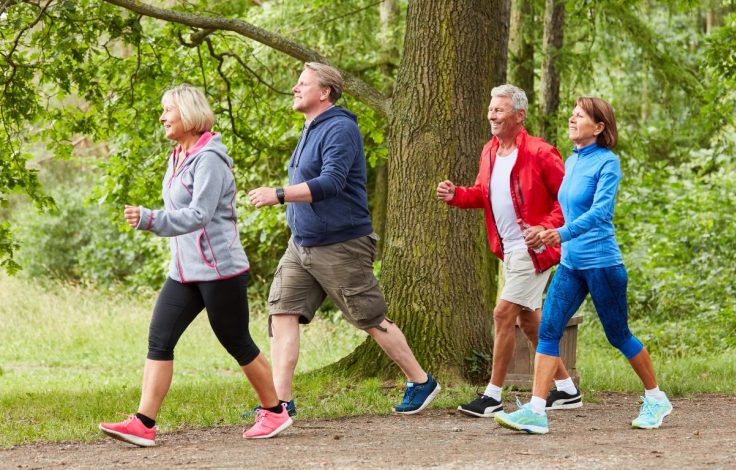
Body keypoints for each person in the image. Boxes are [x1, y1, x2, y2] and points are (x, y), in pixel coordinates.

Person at [98, 85, 292, 447]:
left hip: (220, 270)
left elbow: (199, 214)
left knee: (236, 341)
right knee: (160, 338)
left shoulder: (210, 160)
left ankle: (276, 412)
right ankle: (144, 423)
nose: (162, 117)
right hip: (184, 272)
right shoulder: (178, 155)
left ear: (187, 114)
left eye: (167, 110)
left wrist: (150, 219)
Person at [247, 62, 440, 416]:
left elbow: (332, 182)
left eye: (302, 83)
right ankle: (279, 405)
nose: (294, 88)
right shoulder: (310, 127)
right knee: (282, 313)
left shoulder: (339, 128)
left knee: (369, 318)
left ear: (325, 92)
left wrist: (279, 193)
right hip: (301, 244)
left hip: (340, 244)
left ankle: (420, 380)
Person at [495, 97, 673, 434]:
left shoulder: (608, 163)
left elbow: (601, 213)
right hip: (571, 264)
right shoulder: (573, 161)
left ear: (600, 127)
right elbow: (565, 209)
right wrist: (544, 231)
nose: (573, 118)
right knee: (548, 329)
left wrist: (559, 234)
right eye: (573, 114)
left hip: (602, 264)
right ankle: (536, 410)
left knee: (618, 334)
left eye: (581, 115)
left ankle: (656, 397)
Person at [436, 85, 581, 418]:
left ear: (519, 115)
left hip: (535, 251)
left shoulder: (541, 152)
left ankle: (493, 395)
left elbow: (569, 200)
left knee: (502, 314)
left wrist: (547, 230)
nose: (491, 115)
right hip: (509, 251)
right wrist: (456, 194)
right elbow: (482, 194)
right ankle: (568, 390)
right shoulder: (489, 151)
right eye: (491, 109)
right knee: (529, 323)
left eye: (499, 110)